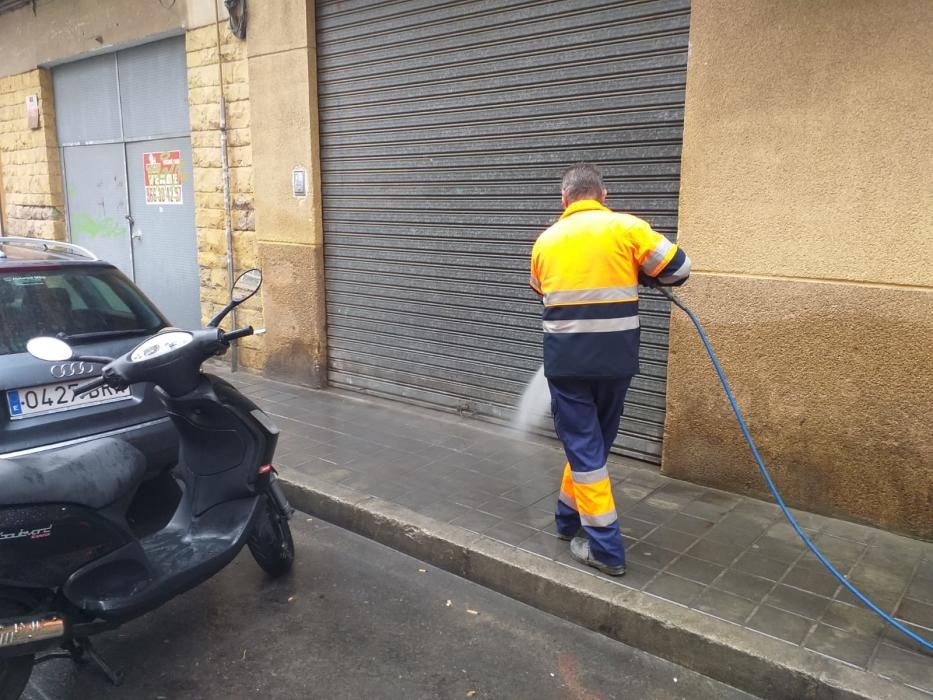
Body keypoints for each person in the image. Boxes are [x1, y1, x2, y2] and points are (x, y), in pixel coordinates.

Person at [529, 163, 691, 576]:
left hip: (566, 363)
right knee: (592, 446)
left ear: (564, 201)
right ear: (604, 196)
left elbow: (540, 289)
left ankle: (605, 549)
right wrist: (639, 273)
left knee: (586, 448)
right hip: (616, 360)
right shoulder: (628, 228)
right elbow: (679, 269)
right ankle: (568, 522)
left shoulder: (545, 241)